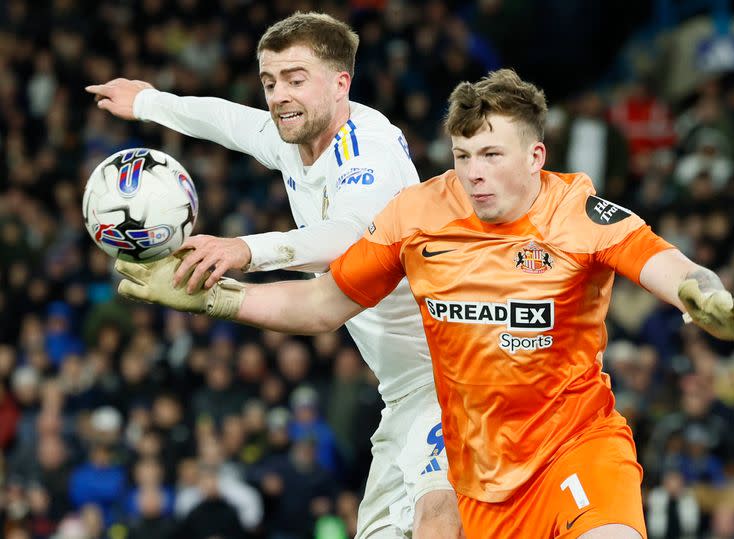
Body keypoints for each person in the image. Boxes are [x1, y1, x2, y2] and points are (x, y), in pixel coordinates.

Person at [114, 68, 734, 538]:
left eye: (490, 154)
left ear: (536, 156)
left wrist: (701, 291)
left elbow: (664, 260)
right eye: (461, 155)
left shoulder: (576, 211)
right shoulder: (419, 216)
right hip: (478, 468)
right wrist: (219, 300)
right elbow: (320, 306)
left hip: (574, 445)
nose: (473, 171)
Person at [86, 12, 461, 539]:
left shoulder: (366, 151)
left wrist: (246, 250)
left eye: (295, 78)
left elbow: (351, 235)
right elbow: (226, 121)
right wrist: (147, 102)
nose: (278, 94)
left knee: (437, 516)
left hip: (454, 374)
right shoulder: (294, 139)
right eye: (270, 81)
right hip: (403, 391)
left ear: (340, 83)